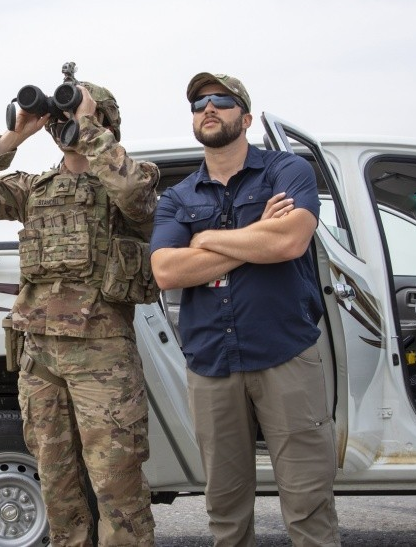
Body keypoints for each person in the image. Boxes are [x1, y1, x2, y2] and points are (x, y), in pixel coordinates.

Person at [0, 81, 159, 546]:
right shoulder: (34, 190)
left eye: (81, 117)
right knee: (56, 485)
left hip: (102, 358)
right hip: (41, 358)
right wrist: (15, 137)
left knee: (117, 485)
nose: (67, 125)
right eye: (64, 119)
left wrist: (88, 125)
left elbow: (134, 197)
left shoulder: (133, 179)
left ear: (103, 123)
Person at [149, 73, 340, 547]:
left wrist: (207, 239)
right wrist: (258, 237)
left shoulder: (287, 170)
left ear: (246, 117)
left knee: (308, 506)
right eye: (198, 104)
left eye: (221, 101)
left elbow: (292, 239)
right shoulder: (178, 195)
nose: (207, 109)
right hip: (212, 363)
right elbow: (168, 271)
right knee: (226, 512)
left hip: (286, 355)